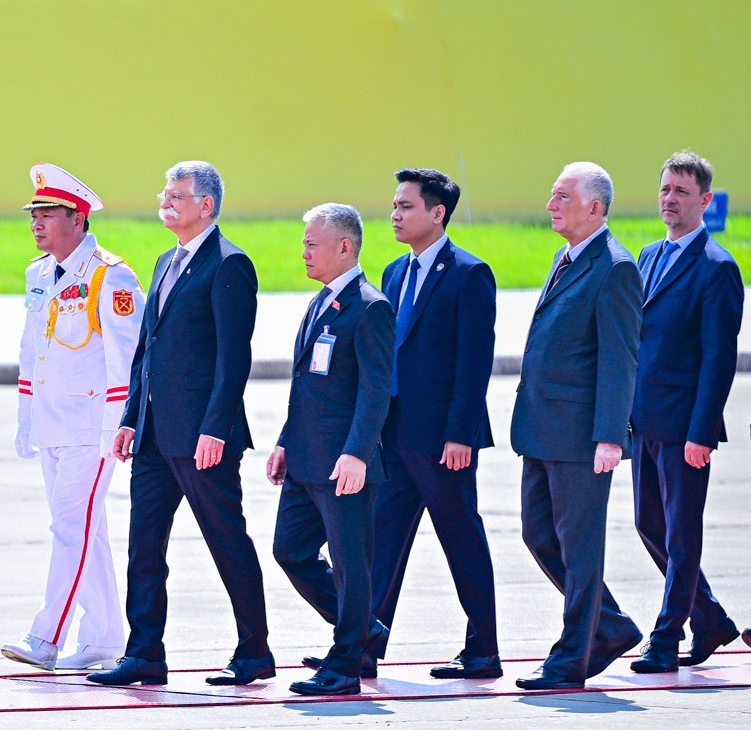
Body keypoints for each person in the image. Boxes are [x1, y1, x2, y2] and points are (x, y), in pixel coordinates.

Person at [93, 160, 273, 688]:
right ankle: (144, 653)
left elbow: (233, 359)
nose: (165, 203)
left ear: (206, 205)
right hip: (153, 435)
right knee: (144, 545)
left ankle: (255, 651)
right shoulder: (164, 261)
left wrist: (215, 428)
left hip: (202, 439)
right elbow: (146, 349)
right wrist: (131, 417)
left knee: (226, 541)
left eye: (176, 196)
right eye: (164, 195)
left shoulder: (229, 264)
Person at [2, 163, 144, 671]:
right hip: (51, 423)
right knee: (87, 531)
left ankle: (47, 637)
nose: (36, 223)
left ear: (78, 219)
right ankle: (104, 637)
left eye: (48, 214)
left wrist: (117, 425)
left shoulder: (109, 275)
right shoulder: (38, 273)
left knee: (69, 527)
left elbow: (127, 359)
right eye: (33, 214)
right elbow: (31, 351)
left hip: (91, 427)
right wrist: (26, 419)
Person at [511, 162, 644, 690]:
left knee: (580, 548)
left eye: (562, 197)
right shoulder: (565, 258)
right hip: (542, 429)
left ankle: (572, 657)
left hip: (581, 438)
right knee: (539, 534)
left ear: (594, 207)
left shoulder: (615, 268)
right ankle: (608, 627)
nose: (551, 205)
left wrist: (611, 436)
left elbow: (619, 359)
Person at [367, 167, 501, 679]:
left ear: (437, 213)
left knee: (460, 539)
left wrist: (460, 434)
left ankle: (483, 651)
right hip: (395, 434)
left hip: (444, 439)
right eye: (394, 205)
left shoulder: (469, 274)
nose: (395, 215)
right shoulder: (393, 273)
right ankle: (363, 643)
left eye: (406, 206)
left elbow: (474, 362)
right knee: (381, 542)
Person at [267, 205, 395, 696]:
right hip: (305, 458)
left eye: (311, 244)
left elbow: (376, 389)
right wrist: (285, 441)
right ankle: (362, 629)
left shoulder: (370, 306)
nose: (303, 252)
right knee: (290, 550)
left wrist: (358, 453)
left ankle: (345, 666)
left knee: (349, 563)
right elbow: (307, 385)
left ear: (344, 247)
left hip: (344, 463)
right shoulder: (322, 301)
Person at [628, 150, 747, 671]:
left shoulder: (718, 268)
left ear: (705, 200)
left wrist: (702, 431)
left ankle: (666, 637)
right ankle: (712, 619)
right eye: (665, 189)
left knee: (681, 535)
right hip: (643, 420)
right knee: (648, 526)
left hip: (684, 427)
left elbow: (718, 360)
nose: (670, 199)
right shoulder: (648, 255)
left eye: (681, 191)